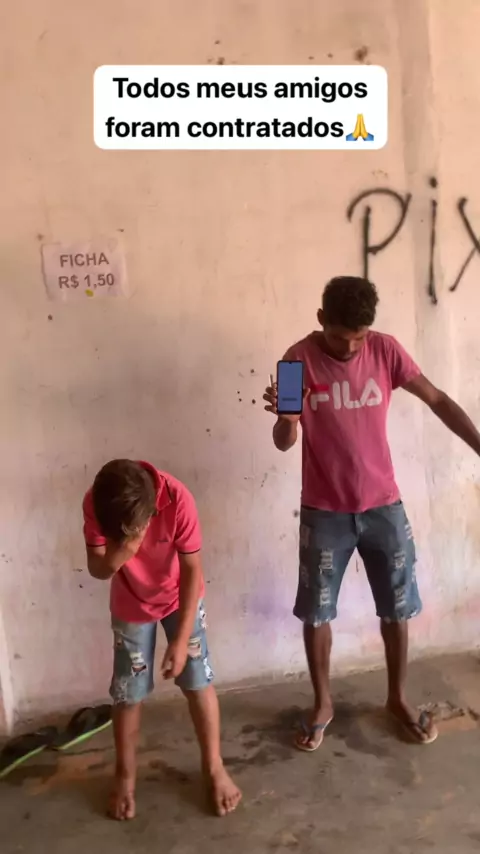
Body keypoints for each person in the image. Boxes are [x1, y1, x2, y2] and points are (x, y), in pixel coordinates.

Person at [263, 276, 480, 752]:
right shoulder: (296, 361)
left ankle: (397, 699)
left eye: (359, 337)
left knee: (397, 608)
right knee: (316, 613)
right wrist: (287, 419)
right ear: (321, 320)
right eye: (340, 337)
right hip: (324, 513)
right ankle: (323, 704)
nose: (350, 348)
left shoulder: (385, 350)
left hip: (384, 507)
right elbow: (283, 442)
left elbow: (438, 400)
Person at [83, 459, 241, 819]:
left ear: (152, 511)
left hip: (180, 597)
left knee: (198, 680)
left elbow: (192, 568)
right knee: (128, 693)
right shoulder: (96, 501)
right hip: (130, 603)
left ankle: (214, 767)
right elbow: (96, 568)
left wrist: (181, 640)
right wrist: (120, 554)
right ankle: (125, 777)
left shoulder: (177, 498)